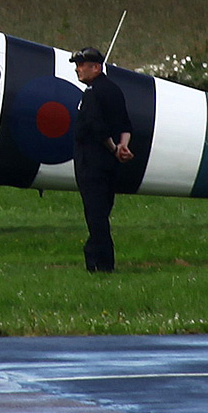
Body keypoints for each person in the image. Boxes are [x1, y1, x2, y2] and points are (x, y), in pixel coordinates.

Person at [70, 46, 134, 273]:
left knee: (95, 214)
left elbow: (96, 126)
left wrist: (114, 147)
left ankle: (100, 263)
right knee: (102, 211)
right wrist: (123, 146)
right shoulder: (114, 90)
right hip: (109, 165)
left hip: (92, 163)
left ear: (95, 68)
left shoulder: (93, 93)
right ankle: (99, 258)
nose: (77, 70)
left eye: (81, 66)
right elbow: (125, 124)